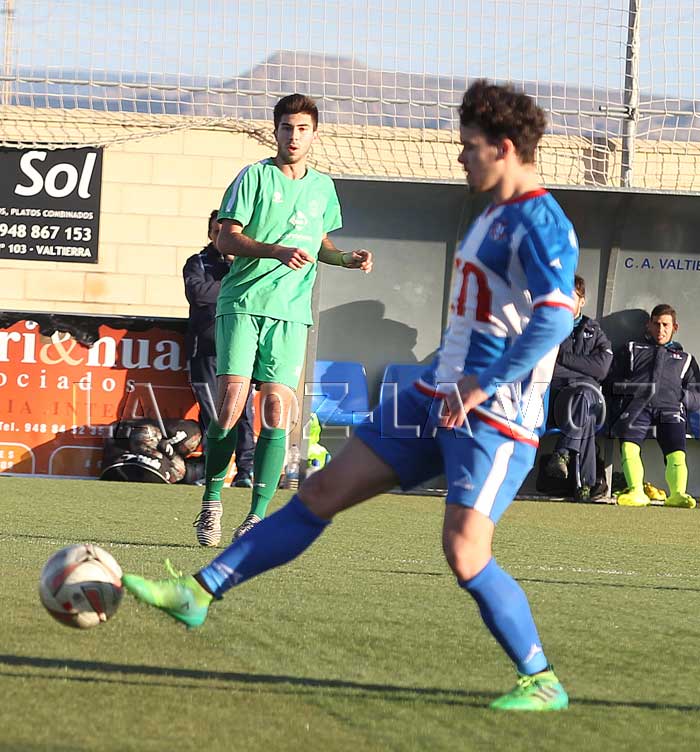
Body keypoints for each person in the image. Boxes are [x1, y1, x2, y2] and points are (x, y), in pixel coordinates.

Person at [123, 80, 578, 712]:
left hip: (495, 415)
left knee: (465, 551)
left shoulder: (541, 221)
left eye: (469, 145)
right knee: (320, 492)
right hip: (432, 397)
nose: (459, 156)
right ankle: (198, 592)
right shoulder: (490, 215)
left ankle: (542, 680)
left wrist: (479, 383)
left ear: (502, 148)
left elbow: (554, 319)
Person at [192, 93, 373, 546]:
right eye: (287, 128)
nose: (294, 136)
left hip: (291, 312)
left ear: (314, 134)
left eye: (303, 129)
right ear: (275, 131)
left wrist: (346, 259)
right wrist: (274, 250)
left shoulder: (323, 187)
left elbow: (320, 242)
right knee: (231, 403)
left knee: (276, 411)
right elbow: (227, 240)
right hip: (244, 302)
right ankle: (211, 503)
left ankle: (256, 517)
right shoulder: (253, 177)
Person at [183, 210, 255, 488]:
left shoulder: (249, 263)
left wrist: (233, 280)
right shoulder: (198, 262)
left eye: (226, 232)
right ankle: (214, 471)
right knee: (212, 414)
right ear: (210, 234)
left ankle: (246, 471)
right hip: (206, 350)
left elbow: (256, 295)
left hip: (239, 348)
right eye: (216, 232)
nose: (221, 237)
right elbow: (198, 294)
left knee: (243, 412)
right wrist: (235, 287)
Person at [608, 303, 700, 508]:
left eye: (665, 325)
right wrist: (629, 392)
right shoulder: (631, 349)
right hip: (637, 408)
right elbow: (610, 381)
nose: (660, 330)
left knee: (677, 452)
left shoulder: (686, 359)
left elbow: (697, 396)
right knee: (629, 447)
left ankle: (677, 494)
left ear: (675, 327)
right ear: (648, 325)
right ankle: (636, 491)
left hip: (671, 409)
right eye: (656, 324)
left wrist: (681, 397)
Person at [545, 275, 612, 501]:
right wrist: (586, 373)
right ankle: (585, 484)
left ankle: (563, 453)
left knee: (585, 400)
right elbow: (550, 370)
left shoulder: (595, 331)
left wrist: (563, 357)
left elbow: (602, 369)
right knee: (586, 403)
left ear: (582, 301)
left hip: (584, 400)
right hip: (557, 400)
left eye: (571, 297)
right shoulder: (549, 327)